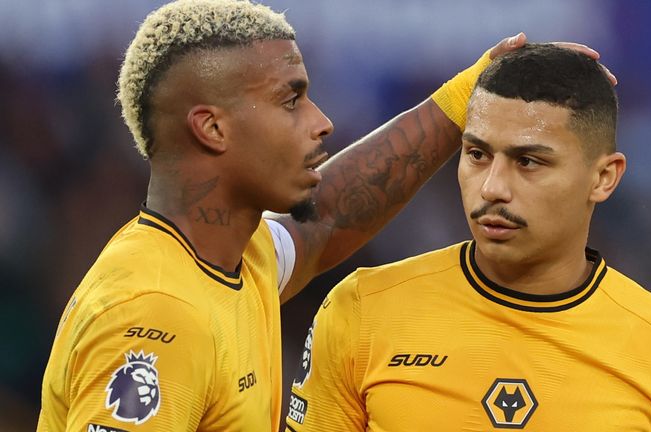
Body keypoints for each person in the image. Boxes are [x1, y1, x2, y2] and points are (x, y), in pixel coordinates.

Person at [36, 1, 611, 431]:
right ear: (212, 127)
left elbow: (326, 219)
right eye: (291, 99)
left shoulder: (237, 258)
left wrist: (467, 97)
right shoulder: (159, 312)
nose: (321, 121)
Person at [285, 44, 651, 432]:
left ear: (604, 177)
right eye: (477, 154)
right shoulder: (363, 311)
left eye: (529, 161)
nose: (492, 188)